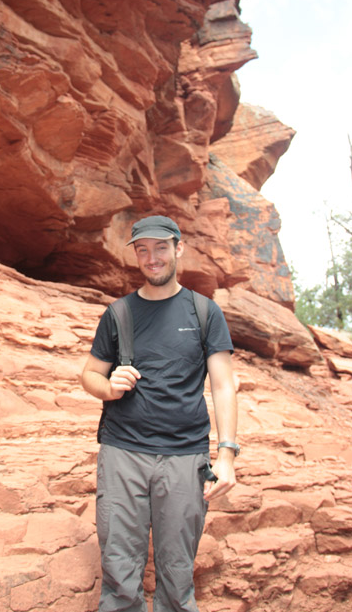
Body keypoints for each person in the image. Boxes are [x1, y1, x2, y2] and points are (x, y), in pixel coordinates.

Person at [80, 215, 238, 612]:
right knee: (118, 571)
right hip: (122, 454)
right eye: (143, 250)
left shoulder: (204, 313)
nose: (152, 258)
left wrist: (227, 454)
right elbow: (89, 376)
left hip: (186, 457)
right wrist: (109, 386)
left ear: (178, 249)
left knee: (178, 573)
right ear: (136, 255)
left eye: (161, 248)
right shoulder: (118, 314)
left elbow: (222, 385)